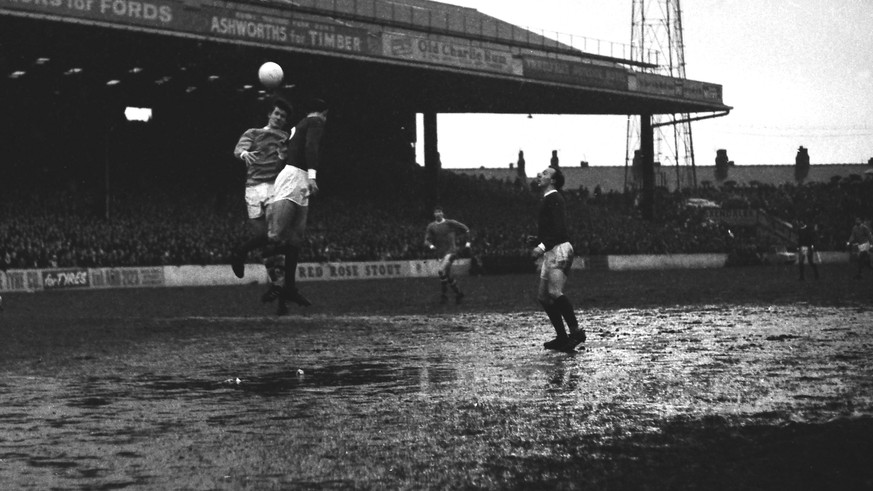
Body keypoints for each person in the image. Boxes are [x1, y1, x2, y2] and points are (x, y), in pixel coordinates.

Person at [261, 97, 329, 309]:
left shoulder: (296, 127)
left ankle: (287, 289)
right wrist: (313, 175)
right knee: (277, 235)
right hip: (295, 178)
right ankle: (243, 253)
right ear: (323, 113)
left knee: (294, 239)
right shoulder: (315, 122)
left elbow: (285, 152)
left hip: (295, 180)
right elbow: (311, 146)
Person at [230, 98, 292, 313]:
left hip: (274, 187)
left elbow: (288, 162)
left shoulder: (285, 137)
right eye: (277, 114)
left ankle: (240, 252)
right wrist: (245, 153)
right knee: (268, 247)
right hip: (253, 189)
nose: (279, 118)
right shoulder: (253, 133)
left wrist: (285, 156)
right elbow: (239, 150)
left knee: (275, 237)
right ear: (269, 114)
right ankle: (281, 299)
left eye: (283, 116)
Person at [529, 166, 585, 352]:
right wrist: (537, 241)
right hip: (552, 250)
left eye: (545, 173)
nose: (540, 174)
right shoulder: (548, 199)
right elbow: (552, 229)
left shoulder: (555, 198)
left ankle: (576, 332)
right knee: (543, 297)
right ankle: (562, 337)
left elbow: (559, 230)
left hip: (559, 249)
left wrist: (542, 246)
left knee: (554, 292)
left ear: (552, 181)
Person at [424, 206, 470, 304]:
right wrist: (430, 245)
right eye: (436, 212)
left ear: (443, 213)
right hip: (440, 253)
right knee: (447, 276)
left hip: (451, 251)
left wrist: (467, 242)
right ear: (434, 214)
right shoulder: (431, 226)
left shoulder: (450, 223)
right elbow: (427, 239)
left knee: (441, 271)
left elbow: (466, 229)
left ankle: (444, 296)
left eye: (439, 212)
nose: (438, 214)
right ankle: (458, 293)